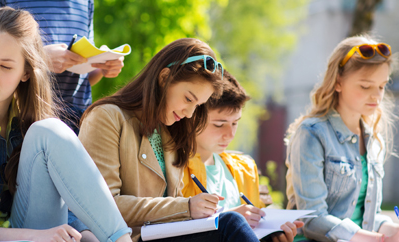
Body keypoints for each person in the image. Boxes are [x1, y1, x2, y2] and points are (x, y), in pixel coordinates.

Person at [0, 7, 132, 242]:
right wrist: (35, 236)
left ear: (26, 73)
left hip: (36, 231)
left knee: (51, 129)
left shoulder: (32, 125)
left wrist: (86, 237)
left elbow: (69, 205)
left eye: (5, 66)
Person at [79, 38, 261, 242]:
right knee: (231, 224)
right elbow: (104, 206)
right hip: (129, 238)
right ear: (164, 78)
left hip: (165, 235)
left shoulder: (172, 130)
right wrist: (186, 207)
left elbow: (171, 208)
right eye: (189, 99)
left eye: (198, 105)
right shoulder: (107, 117)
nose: (191, 113)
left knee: (230, 222)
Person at [286, 36, 398, 242]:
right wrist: (373, 239)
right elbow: (312, 218)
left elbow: (366, 216)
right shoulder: (311, 133)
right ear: (338, 82)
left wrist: (391, 229)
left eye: (381, 86)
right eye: (365, 86)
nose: (376, 96)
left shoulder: (373, 139)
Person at [0, 0, 125, 132]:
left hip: (80, 123)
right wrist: (39, 59)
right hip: (25, 125)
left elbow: (83, 80)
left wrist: (102, 66)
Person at [181, 71, 302, 242]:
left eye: (235, 123)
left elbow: (257, 226)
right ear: (191, 118)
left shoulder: (244, 167)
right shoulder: (176, 168)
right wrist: (228, 221)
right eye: (219, 124)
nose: (230, 134)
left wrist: (274, 232)